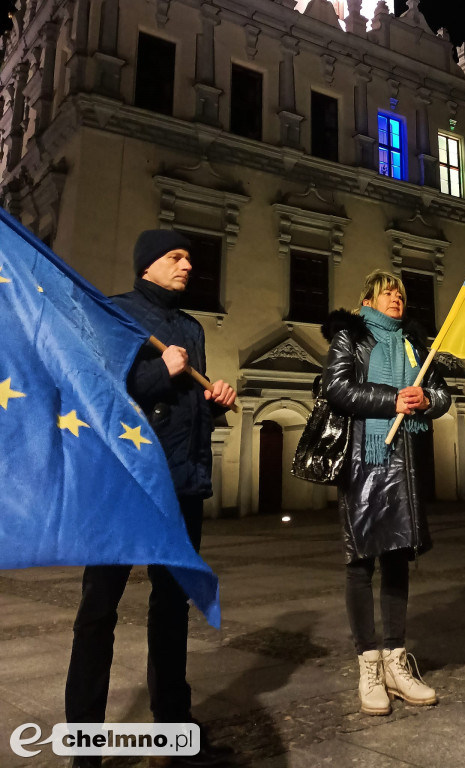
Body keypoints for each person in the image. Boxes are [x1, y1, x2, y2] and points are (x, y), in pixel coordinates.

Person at [65, 230, 236, 768]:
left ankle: (174, 732)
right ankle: (84, 748)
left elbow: (190, 411)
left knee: (171, 610)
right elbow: (97, 389)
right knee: (98, 609)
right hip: (124, 480)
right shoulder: (113, 313)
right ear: (146, 265)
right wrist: (159, 372)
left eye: (189, 257)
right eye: (175, 257)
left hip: (179, 482)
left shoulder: (190, 327)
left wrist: (217, 402)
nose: (188, 265)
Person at [321, 270, 450, 716]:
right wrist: (392, 398)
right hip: (364, 459)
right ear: (369, 299)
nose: (395, 298)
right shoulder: (351, 337)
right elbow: (336, 388)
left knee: (397, 558)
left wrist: (426, 401)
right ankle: (369, 665)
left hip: (404, 463)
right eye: (386, 292)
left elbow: (442, 392)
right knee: (360, 562)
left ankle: (397, 662)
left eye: (400, 293)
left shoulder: (415, 344)